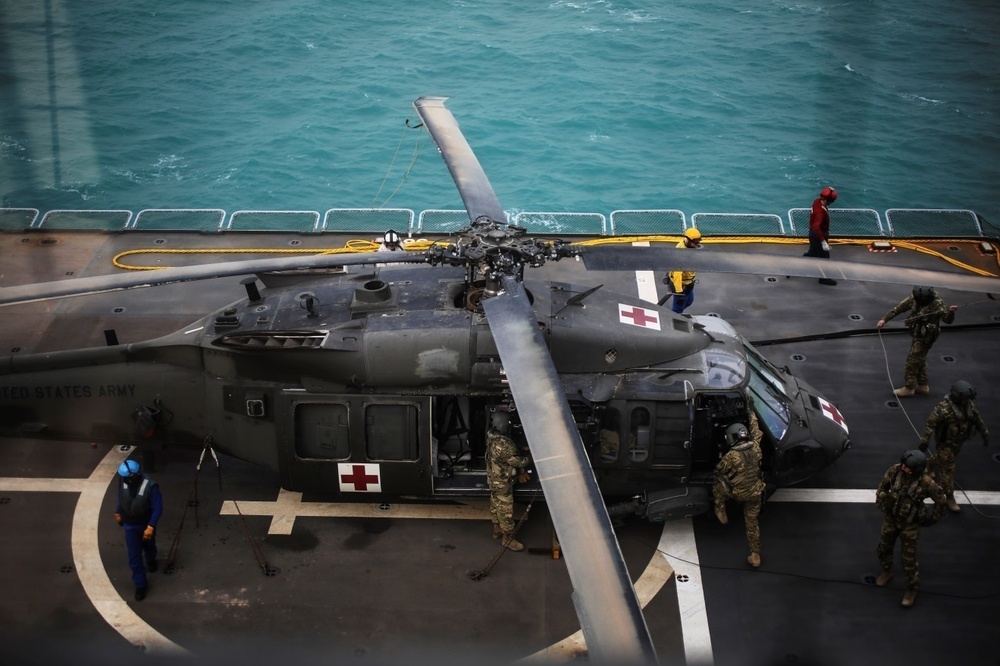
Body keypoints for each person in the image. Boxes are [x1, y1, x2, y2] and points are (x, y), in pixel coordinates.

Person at [874, 449, 948, 608]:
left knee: (909, 559)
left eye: (909, 467)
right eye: (904, 465)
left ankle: (911, 589)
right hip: (891, 519)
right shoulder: (895, 470)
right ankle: (887, 571)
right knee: (883, 548)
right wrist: (881, 500)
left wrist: (933, 518)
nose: (904, 469)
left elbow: (941, 499)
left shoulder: (926, 483)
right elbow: (883, 486)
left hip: (910, 524)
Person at [919, 380, 990, 513]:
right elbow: (930, 424)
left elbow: (977, 418)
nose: (967, 401)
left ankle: (930, 464)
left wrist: (984, 432)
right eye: (965, 398)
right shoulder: (943, 409)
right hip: (945, 443)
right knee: (948, 471)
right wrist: (925, 441)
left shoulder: (969, 406)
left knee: (945, 460)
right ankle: (949, 497)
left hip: (958, 442)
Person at [876, 286, 958, 397]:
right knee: (920, 358)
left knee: (912, 361)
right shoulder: (914, 298)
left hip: (927, 336)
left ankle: (909, 388)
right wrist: (884, 319)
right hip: (917, 332)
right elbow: (899, 308)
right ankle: (923, 385)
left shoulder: (937, 304)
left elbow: (947, 320)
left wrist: (951, 312)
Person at [712, 412, 765, 568]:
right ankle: (755, 555)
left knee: (717, 483)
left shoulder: (731, 456)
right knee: (752, 524)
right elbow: (756, 430)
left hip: (739, 494)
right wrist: (752, 413)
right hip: (756, 493)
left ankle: (720, 509)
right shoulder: (756, 447)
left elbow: (719, 469)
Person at [114, 459, 163, 601]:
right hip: (130, 525)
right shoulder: (123, 481)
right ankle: (140, 585)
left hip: (145, 523)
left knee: (149, 545)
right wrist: (118, 512)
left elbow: (157, 507)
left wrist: (151, 526)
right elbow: (121, 497)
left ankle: (151, 559)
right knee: (134, 557)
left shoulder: (150, 486)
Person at [486, 409, 530, 552]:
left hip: (493, 479)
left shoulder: (491, 437)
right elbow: (516, 461)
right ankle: (507, 539)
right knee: (506, 510)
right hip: (503, 482)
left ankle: (496, 530)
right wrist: (529, 459)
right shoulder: (504, 444)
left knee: (495, 504)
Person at [661, 227, 702, 313]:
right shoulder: (680, 253)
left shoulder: (689, 248)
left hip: (688, 283)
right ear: (687, 240)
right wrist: (679, 291)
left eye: (697, 243)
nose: (696, 246)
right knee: (678, 309)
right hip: (681, 285)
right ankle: (674, 318)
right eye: (694, 243)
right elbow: (677, 274)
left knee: (689, 301)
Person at [803, 186, 838, 285]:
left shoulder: (816, 202)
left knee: (812, 254)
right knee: (824, 258)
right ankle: (824, 278)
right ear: (828, 200)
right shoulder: (820, 212)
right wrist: (823, 242)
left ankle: (794, 265)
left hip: (812, 234)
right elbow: (816, 227)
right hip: (818, 235)